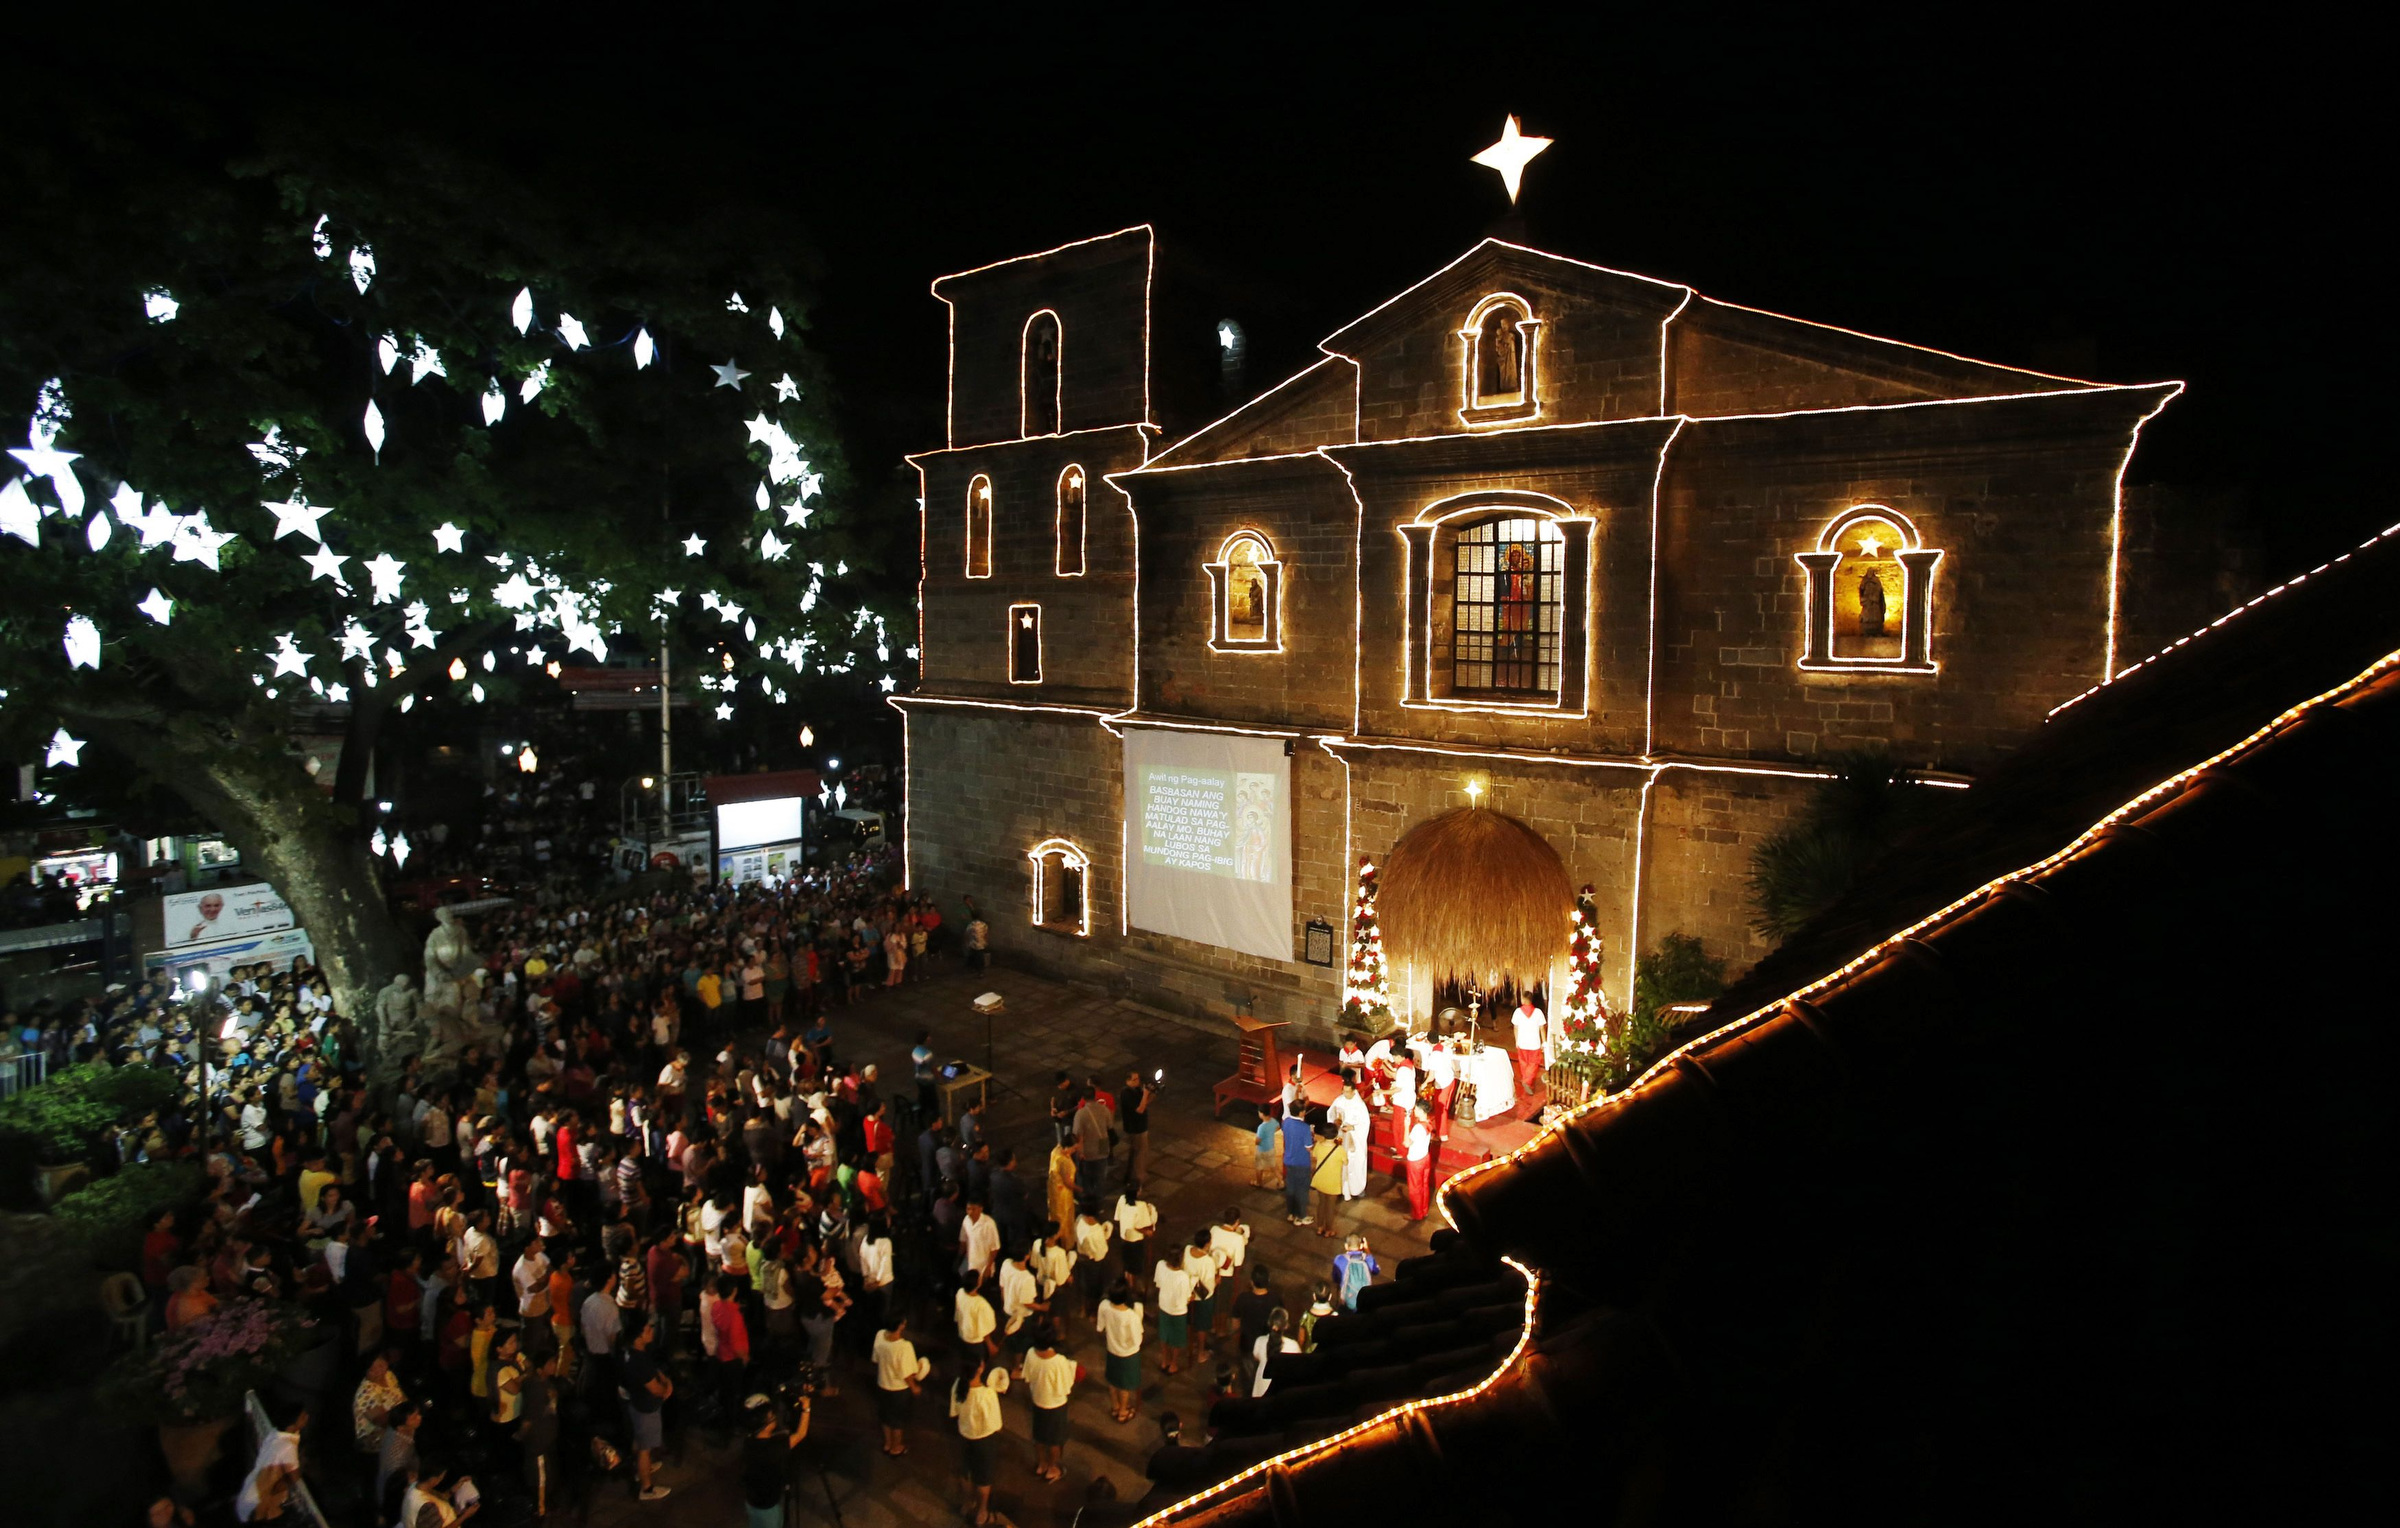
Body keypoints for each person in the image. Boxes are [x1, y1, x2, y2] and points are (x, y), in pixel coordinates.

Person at [949, 1351, 1009, 1525]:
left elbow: (955, 1412)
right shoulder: (986, 1394)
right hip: (984, 1441)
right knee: (983, 1476)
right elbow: (995, 1425)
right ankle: (982, 1510)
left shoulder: (957, 1386)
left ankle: (968, 1502)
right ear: (980, 1369)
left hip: (964, 1435)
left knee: (966, 1471)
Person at [618, 1318, 674, 1503]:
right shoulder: (639, 1361)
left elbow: (654, 1373)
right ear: (637, 1338)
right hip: (646, 1409)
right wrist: (667, 1386)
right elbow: (657, 1389)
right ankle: (647, 1488)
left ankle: (639, 1470)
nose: (651, 1330)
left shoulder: (631, 1353)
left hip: (636, 1405)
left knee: (639, 1440)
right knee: (645, 1448)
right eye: (647, 1329)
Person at [740, 1388, 810, 1528]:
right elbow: (801, 1434)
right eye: (771, 1416)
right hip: (767, 1507)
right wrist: (806, 1408)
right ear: (764, 1424)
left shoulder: (750, 1441)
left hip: (753, 1501)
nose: (775, 1417)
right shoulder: (773, 1449)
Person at [1021, 1322, 1077, 1483]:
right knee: (1054, 1440)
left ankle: (1041, 1463)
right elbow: (1066, 1386)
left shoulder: (1031, 1353)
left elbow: (1027, 1376)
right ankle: (1053, 1468)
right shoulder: (1058, 1361)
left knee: (1039, 1436)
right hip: (1055, 1405)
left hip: (1038, 1400)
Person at [872, 1313, 931, 1457]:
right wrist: (914, 1387)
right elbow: (907, 1374)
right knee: (898, 1420)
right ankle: (896, 1447)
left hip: (882, 1384)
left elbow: (876, 1359)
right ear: (900, 1326)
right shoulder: (905, 1347)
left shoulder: (880, 1336)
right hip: (898, 1390)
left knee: (885, 1417)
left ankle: (887, 1443)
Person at [517, 1347, 560, 1518]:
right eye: (550, 1363)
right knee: (540, 1472)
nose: (554, 1365)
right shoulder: (535, 1388)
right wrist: (521, 1434)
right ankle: (540, 1507)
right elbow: (529, 1417)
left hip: (547, 1435)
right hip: (539, 1439)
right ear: (540, 1368)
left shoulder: (546, 1383)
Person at [1099, 1276, 1145, 1422]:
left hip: (1111, 1349)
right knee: (1124, 1384)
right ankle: (1123, 1411)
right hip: (1128, 1354)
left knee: (1113, 1380)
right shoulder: (1131, 1316)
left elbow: (1100, 1327)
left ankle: (1115, 1406)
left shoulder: (1104, 1306)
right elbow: (1138, 1339)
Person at [1151, 1240, 1194, 1376]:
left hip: (1164, 1305)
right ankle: (1173, 1364)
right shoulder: (1183, 1277)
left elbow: (1158, 1284)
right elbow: (1186, 1297)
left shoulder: (1160, 1266)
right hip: (1178, 1311)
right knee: (1177, 1338)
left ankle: (1165, 1360)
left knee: (1164, 1334)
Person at [1327, 1072, 1372, 1202]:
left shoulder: (1359, 1105)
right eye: (1344, 1091)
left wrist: (1353, 1128)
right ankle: (1341, 1187)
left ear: (1354, 1091)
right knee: (1341, 1163)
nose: (1345, 1094)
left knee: (1356, 1163)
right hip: (1341, 1138)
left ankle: (1357, 1189)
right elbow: (1331, 1113)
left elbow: (1365, 1123)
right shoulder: (1339, 1100)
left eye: (1348, 1092)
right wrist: (1336, 1122)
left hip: (1355, 1140)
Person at [1250, 1307, 1301, 1398]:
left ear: (1269, 1323)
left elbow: (1255, 1356)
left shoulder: (1260, 1341)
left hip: (1260, 1391)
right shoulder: (1293, 1346)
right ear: (1286, 1325)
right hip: (1283, 1392)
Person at [1509, 994, 1547, 1115]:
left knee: (1523, 1063)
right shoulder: (1538, 1012)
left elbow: (1515, 1028)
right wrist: (1544, 1041)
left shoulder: (1517, 1012)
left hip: (1522, 1042)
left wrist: (1516, 1040)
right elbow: (1542, 1029)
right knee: (1533, 1063)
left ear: (1523, 999)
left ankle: (1526, 1080)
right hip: (1534, 1043)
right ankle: (1527, 1081)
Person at [1308, 1123, 1346, 1238]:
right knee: (1330, 1207)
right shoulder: (1340, 1150)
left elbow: (1314, 1155)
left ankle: (1319, 1227)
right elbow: (1346, 1162)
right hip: (1333, 1182)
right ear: (1335, 1135)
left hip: (1320, 1179)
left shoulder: (1319, 1145)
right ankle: (1329, 1229)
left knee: (1321, 1204)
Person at [1279, 1102, 1315, 1225]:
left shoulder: (1286, 1122)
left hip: (1289, 1160)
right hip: (1302, 1162)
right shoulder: (1304, 1127)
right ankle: (1301, 1215)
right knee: (1302, 1189)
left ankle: (1291, 1213)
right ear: (1301, 1112)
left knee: (1291, 1188)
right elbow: (1308, 1147)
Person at [1119, 1068, 1153, 1189]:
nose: (1138, 1081)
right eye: (1135, 1079)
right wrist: (1145, 1094)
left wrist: (1151, 1093)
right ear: (1128, 1081)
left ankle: (1129, 1176)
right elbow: (1140, 1109)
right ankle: (1138, 1179)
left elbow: (1146, 1102)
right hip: (1135, 1128)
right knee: (1140, 1154)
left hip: (1141, 1126)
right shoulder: (1126, 1093)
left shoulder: (1137, 1090)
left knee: (1135, 1153)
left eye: (1138, 1078)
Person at [1404, 1102, 1435, 1221]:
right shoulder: (1428, 1122)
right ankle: (1424, 1210)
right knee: (1424, 1185)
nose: (1414, 1111)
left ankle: (1417, 1214)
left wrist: (1406, 1126)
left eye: (1416, 1109)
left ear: (1421, 1111)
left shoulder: (1417, 1128)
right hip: (1425, 1157)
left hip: (1416, 1160)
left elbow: (1407, 1143)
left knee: (1415, 1188)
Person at [1333, 1233, 1380, 1311]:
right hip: (1365, 1302)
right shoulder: (1367, 1259)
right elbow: (1376, 1271)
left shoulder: (1339, 1259)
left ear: (1346, 1246)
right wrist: (1367, 1250)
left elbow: (1335, 1278)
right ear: (1361, 1246)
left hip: (1347, 1302)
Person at [1252, 1110, 1280, 1190]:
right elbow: (1278, 1128)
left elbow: (1257, 1141)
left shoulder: (1261, 1127)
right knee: (1273, 1165)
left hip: (1262, 1149)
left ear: (1261, 1113)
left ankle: (1258, 1182)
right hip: (1271, 1147)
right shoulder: (1273, 1121)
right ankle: (1281, 1180)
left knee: (1259, 1166)